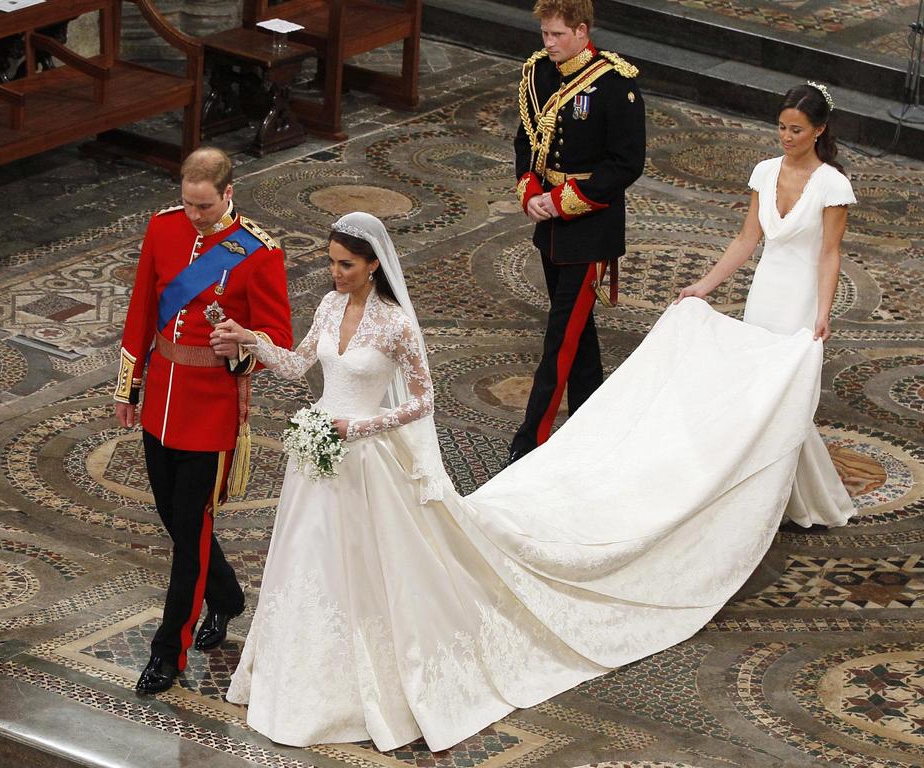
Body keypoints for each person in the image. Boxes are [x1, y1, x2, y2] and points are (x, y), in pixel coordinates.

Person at [213, 212, 824, 752]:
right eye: (331, 263)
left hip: (367, 460)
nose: (335, 273)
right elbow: (299, 367)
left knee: (373, 570)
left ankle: (373, 682)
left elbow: (421, 403)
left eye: (345, 265)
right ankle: (298, 677)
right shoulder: (325, 307)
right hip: (317, 461)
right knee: (307, 565)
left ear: (374, 265)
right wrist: (253, 342)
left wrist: (361, 425)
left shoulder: (396, 325)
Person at [114, 146, 292, 695]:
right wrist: (129, 386)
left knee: (190, 532)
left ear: (228, 193)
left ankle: (169, 650)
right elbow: (143, 306)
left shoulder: (258, 254)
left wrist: (241, 345)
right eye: (187, 203)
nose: (194, 215)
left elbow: (278, 342)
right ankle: (229, 596)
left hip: (212, 410)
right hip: (162, 397)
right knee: (173, 517)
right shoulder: (162, 229)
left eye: (205, 206)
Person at [677, 81, 856, 528]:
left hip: (800, 299)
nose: (786, 137)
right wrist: (705, 286)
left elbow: (829, 252)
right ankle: (764, 497)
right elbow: (746, 239)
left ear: (819, 130)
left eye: (796, 130)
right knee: (759, 395)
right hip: (765, 294)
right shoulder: (764, 171)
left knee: (783, 398)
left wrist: (823, 313)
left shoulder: (833, 185)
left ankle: (775, 501)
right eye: (781, 127)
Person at [508, 0, 646, 464]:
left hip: (590, 227)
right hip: (549, 226)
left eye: (557, 36)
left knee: (560, 337)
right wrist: (530, 191)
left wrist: (565, 203)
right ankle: (593, 429)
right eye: (544, 35)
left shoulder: (615, 84)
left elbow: (626, 162)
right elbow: (526, 138)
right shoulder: (539, 74)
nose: (548, 45)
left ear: (582, 31)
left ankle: (530, 445)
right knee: (578, 335)